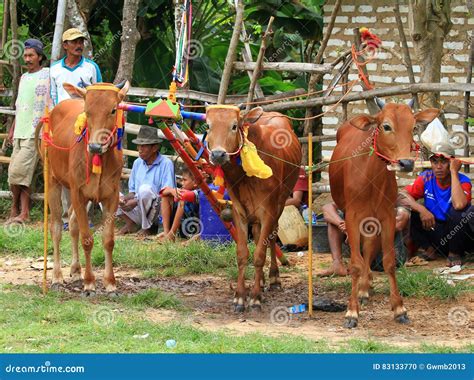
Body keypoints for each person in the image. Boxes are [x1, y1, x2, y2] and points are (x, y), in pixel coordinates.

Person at [49, 28, 102, 229]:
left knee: (87, 165)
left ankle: (81, 215)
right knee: (61, 169)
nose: (78, 44)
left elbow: (99, 95)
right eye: (73, 42)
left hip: (85, 123)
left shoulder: (91, 67)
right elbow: (52, 97)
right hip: (61, 123)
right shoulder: (54, 69)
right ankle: (65, 216)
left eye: (80, 41)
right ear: (65, 46)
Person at [402, 143, 473, 267]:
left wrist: (454, 172)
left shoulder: (463, 181)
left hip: (457, 236)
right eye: (435, 162)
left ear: (452, 163)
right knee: (412, 212)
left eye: (444, 162)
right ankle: (430, 250)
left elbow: (459, 204)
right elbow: (402, 195)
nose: (439, 167)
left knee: (460, 213)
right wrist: (421, 209)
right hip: (435, 230)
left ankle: (454, 253)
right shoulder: (426, 178)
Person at [6, 38, 51, 224]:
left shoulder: (48, 74)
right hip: (19, 131)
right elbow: (19, 105)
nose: (27, 58)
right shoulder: (24, 78)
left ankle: (20, 211)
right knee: (15, 174)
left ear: (40, 57)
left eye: (31, 55)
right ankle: (19, 210)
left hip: (35, 132)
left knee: (20, 172)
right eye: (25, 55)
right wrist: (12, 129)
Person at [319, 196, 411, 276]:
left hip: (387, 258)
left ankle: (365, 266)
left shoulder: (398, 197)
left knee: (383, 220)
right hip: (360, 254)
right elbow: (327, 208)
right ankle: (337, 264)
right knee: (336, 217)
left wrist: (355, 228)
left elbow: (399, 223)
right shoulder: (360, 194)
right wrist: (342, 225)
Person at [117, 126, 175, 236]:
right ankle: (130, 223)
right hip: (138, 210)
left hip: (156, 213)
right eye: (138, 145)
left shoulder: (166, 164)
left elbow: (166, 194)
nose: (139, 149)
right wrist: (124, 199)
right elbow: (133, 192)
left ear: (155, 148)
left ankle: (147, 228)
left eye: (143, 146)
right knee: (110, 193)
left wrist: (136, 201)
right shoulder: (137, 163)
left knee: (145, 190)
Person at [158, 167, 200, 241]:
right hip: (182, 228)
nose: (182, 183)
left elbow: (184, 197)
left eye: (185, 180)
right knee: (166, 197)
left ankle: (172, 234)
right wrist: (172, 190)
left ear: (195, 183)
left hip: (193, 229)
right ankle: (166, 232)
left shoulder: (199, 192)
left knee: (182, 199)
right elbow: (162, 193)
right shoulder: (183, 190)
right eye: (182, 180)